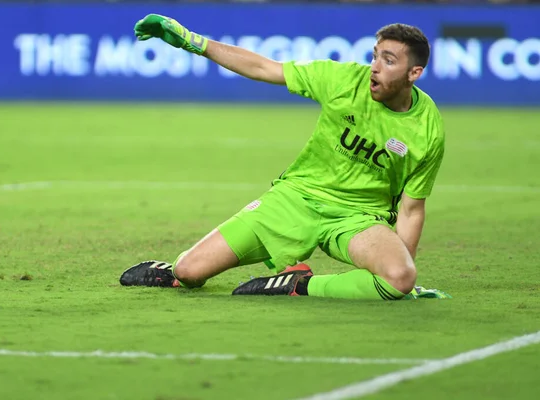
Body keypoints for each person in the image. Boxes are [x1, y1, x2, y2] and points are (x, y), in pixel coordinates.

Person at [119, 14, 451, 300]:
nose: (375, 68)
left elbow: (411, 209)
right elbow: (264, 68)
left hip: (358, 219)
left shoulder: (427, 129)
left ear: (414, 73)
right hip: (295, 199)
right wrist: (193, 42)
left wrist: (406, 273)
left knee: (400, 279)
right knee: (190, 271)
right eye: (374, 56)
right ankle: (173, 270)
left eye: (389, 61)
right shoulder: (343, 80)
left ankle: (299, 285)